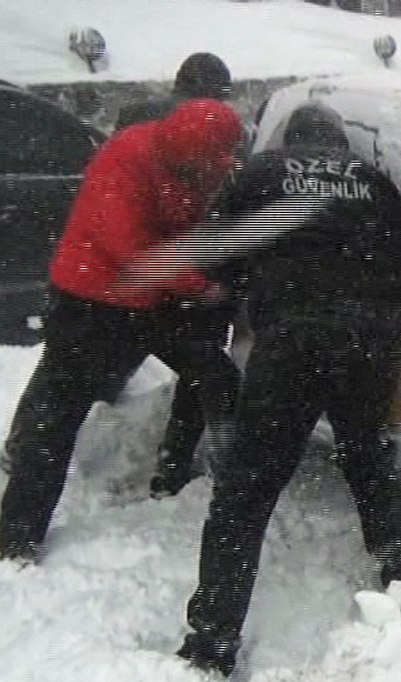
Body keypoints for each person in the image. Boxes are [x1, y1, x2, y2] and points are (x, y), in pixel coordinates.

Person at [119, 103, 401, 682]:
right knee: (366, 457)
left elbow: (217, 250)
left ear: (294, 141)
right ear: (340, 143)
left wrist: (245, 288)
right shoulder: (377, 183)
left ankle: (211, 646)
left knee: (246, 490)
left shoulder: (260, 173)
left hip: (294, 339)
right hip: (372, 338)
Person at [0, 100, 245, 565]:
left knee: (214, 374)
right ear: (185, 149)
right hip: (91, 301)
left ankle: (184, 475)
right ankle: (17, 538)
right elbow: (130, 249)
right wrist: (199, 285)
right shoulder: (126, 157)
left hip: (151, 301)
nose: (210, 172)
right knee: (59, 415)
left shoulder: (200, 167)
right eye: (206, 162)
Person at [111, 52, 240, 499]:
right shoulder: (223, 131)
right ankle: (178, 465)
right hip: (194, 270)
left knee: (94, 362)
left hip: (139, 273)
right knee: (205, 368)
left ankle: (40, 438)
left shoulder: (134, 119)